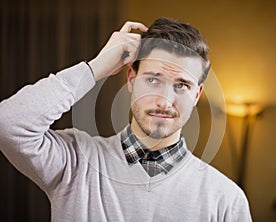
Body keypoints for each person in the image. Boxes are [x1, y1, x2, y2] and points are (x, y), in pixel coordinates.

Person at [0, 18, 252, 221]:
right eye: (153, 79)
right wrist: (96, 67)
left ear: (196, 94)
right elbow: (8, 123)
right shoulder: (75, 161)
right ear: (131, 79)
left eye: (182, 85)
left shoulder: (226, 199)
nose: (164, 102)